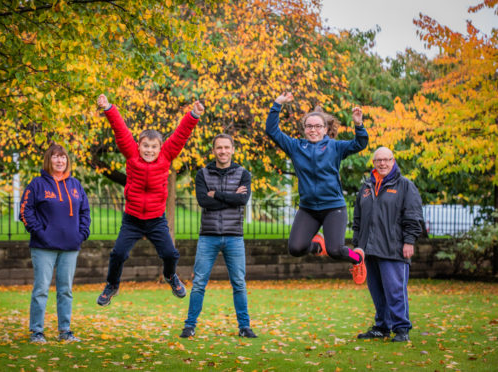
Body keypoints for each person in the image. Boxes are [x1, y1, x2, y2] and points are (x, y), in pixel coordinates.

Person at [96, 94, 204, 305]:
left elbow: (181, 135)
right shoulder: (131, 154)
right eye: (146, 146)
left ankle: (171, 276)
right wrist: (108, 107)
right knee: (118, 253)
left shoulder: (166, 156)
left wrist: (193, 115)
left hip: (156, 220)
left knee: (171, 254)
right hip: (132, 219)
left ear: (160, 148)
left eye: (154, 147)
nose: (149, 151)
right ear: (138, 145)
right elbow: (120, 130)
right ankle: (112, 285)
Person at [265, 92, 369, 284]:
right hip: (308, 209)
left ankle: (358, 258)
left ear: (325, 129)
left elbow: (360, 144)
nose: (313, 130)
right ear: (304, 129)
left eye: (318, 126)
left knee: (336, 250)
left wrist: (358, 124)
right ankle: (317, 246)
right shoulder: (296, 147)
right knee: (295, 249)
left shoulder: (336, 147)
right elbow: (272, 131)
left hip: (333, 207)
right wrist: (278, 103)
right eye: (309, 126)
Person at [180, 134, 257, 339]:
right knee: (199, 283)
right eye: (219, 148)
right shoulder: (203, 174)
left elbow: (243, 200)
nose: (222, 151)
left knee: (239, 283)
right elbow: (204, 202)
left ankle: (244, 327)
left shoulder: (243, 174)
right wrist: (232, 197)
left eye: (226, 147)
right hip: (208, 236)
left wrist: (218, 194)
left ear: (233, 149)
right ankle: (189, 325)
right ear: (213, 151)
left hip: (234, 236)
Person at [20, 144, 91, 343]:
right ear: (48, 160)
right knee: (41, 289)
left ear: (67, 160)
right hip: (43, 247)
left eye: (63, 157)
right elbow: (25, 211)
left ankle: (65, 331)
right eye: (55, 157)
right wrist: (40, 233)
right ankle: (36, 332)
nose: (60, 161)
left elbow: (85, 212)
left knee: (65, 290)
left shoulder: (75, 185)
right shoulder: (36, 184)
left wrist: (82, 234)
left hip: (70, 247)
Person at [353, 147, 423, 342]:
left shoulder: (405, 186)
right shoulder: (366, 187)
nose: (382, 163)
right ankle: (382, 327)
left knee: (395, 291)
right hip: (368, 251)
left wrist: (409, 241)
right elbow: (357, 219)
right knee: (377, 292)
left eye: (386, 159)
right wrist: (357, 246)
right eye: (378, 160)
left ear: (393, 161)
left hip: (393, 249)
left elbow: (413, 216)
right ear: (373, 163)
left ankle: (401, 329)